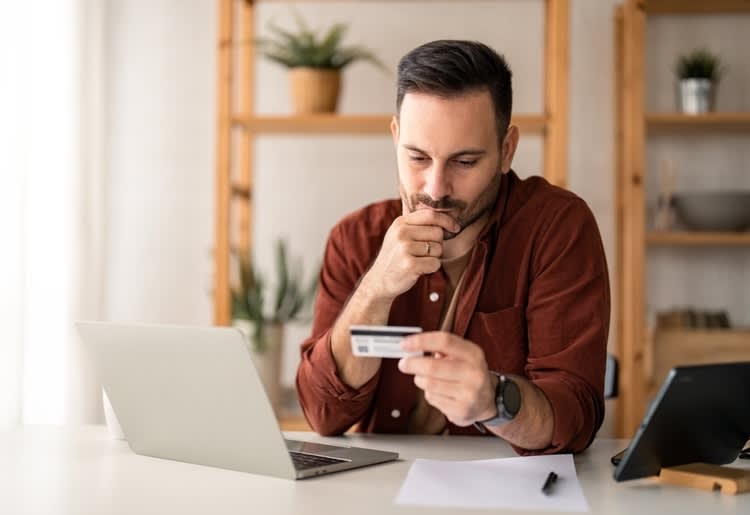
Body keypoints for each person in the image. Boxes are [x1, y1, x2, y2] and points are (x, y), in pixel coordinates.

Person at [296, 40, 610, 454]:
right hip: (381, 488)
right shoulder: (355, 238)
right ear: (396, 137)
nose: (435, 189)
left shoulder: (557, 228)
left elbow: (575, 417)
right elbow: (322, 413)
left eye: (464, 162)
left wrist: (494, 401)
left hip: (508, 491)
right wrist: (374, 289)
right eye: (417, 157)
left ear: (507, 150)